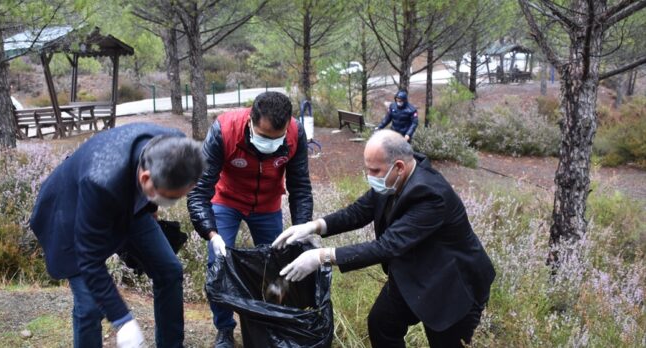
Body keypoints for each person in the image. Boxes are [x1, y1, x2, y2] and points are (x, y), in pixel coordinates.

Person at [273, 130, 496, 347]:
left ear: (398, 166)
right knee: (382, 324)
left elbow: (388, 246)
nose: (370, 176)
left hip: (451, 285)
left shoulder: (430, 195)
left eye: (374, 170)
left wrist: (322, 256)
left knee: (444, 341)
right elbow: (358, 212)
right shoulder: (393, 181)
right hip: (412, 272)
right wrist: (313, 227)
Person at [30, 123, 205, 348]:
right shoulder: (100, 180)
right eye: (168, 197)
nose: (172, 203)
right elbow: (89, 260)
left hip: (129, 205)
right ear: (145, 179)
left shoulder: (179, 149)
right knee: (90, 305)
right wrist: (123, 320)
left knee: (169, 270)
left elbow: (166, 186)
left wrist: (152, 208)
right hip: (70, 214)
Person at [187, 91, 313, 347]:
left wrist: (303, 228)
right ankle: (224, 328)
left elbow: (300, 186)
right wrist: (211, 233)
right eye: (265, 137)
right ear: (250, 121)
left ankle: (269, 322)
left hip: (268, 204)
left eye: (277, 139)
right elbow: (199, 190)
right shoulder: (224, 129)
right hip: (227, 201)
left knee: (276, 267)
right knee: (218, 264)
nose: (271, 143)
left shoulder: (295, 133)